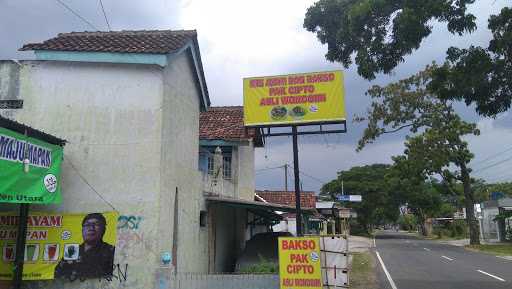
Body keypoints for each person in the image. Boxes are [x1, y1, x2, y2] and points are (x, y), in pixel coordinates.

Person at [54, 213, 115, 280]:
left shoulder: (110, 251)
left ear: (104, 230)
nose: (91, 228)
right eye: (87, 225)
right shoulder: (72, 250)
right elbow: (58, 273)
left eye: (96, 224)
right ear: (82, 230)